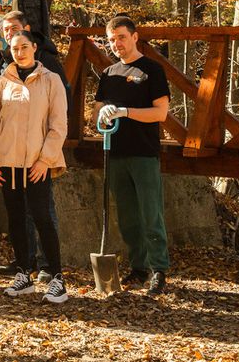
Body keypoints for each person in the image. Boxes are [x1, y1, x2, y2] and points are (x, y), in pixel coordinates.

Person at [0, 31, 68, 303]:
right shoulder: (3, 81)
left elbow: (58, 126)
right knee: (15, 217)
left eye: (24, 47)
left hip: (36, 163)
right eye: (14, 48)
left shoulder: (51, 81)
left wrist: (45, 160)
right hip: (7, 162)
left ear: (35, 48)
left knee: (42, 216)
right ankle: (23, 273)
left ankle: (57, 278)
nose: (19, 52)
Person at [92, 15, 170, 295]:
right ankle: (138, 267)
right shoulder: (109, 74)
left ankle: (159, 269)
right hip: (115, 153)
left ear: (135, 37)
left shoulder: (151, 70)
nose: (116, 44)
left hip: (144, 153)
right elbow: (95, 116)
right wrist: (101, 114)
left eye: (121, 38)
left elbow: (160, 113)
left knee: (151, 214)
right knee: (127, 217)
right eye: (111, 40)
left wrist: (127, 112)